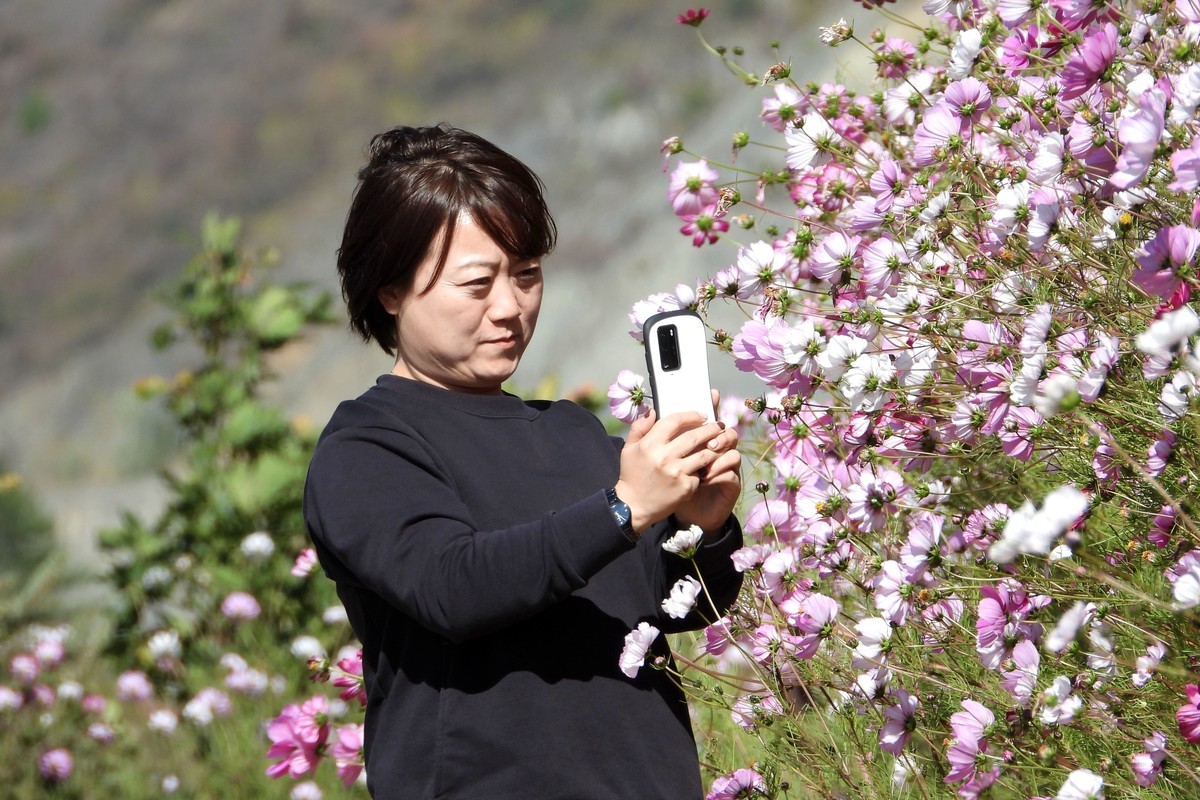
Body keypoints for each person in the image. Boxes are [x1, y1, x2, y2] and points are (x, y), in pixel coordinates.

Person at [303, 123, 744, 800]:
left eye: (527, 274)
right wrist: (623, 508)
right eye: (477, 283)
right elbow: (453, 587)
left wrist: (702, 529)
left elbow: (677, 606)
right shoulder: (367, 445)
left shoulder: (572, 434)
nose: (510, 307)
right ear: (390, 290)